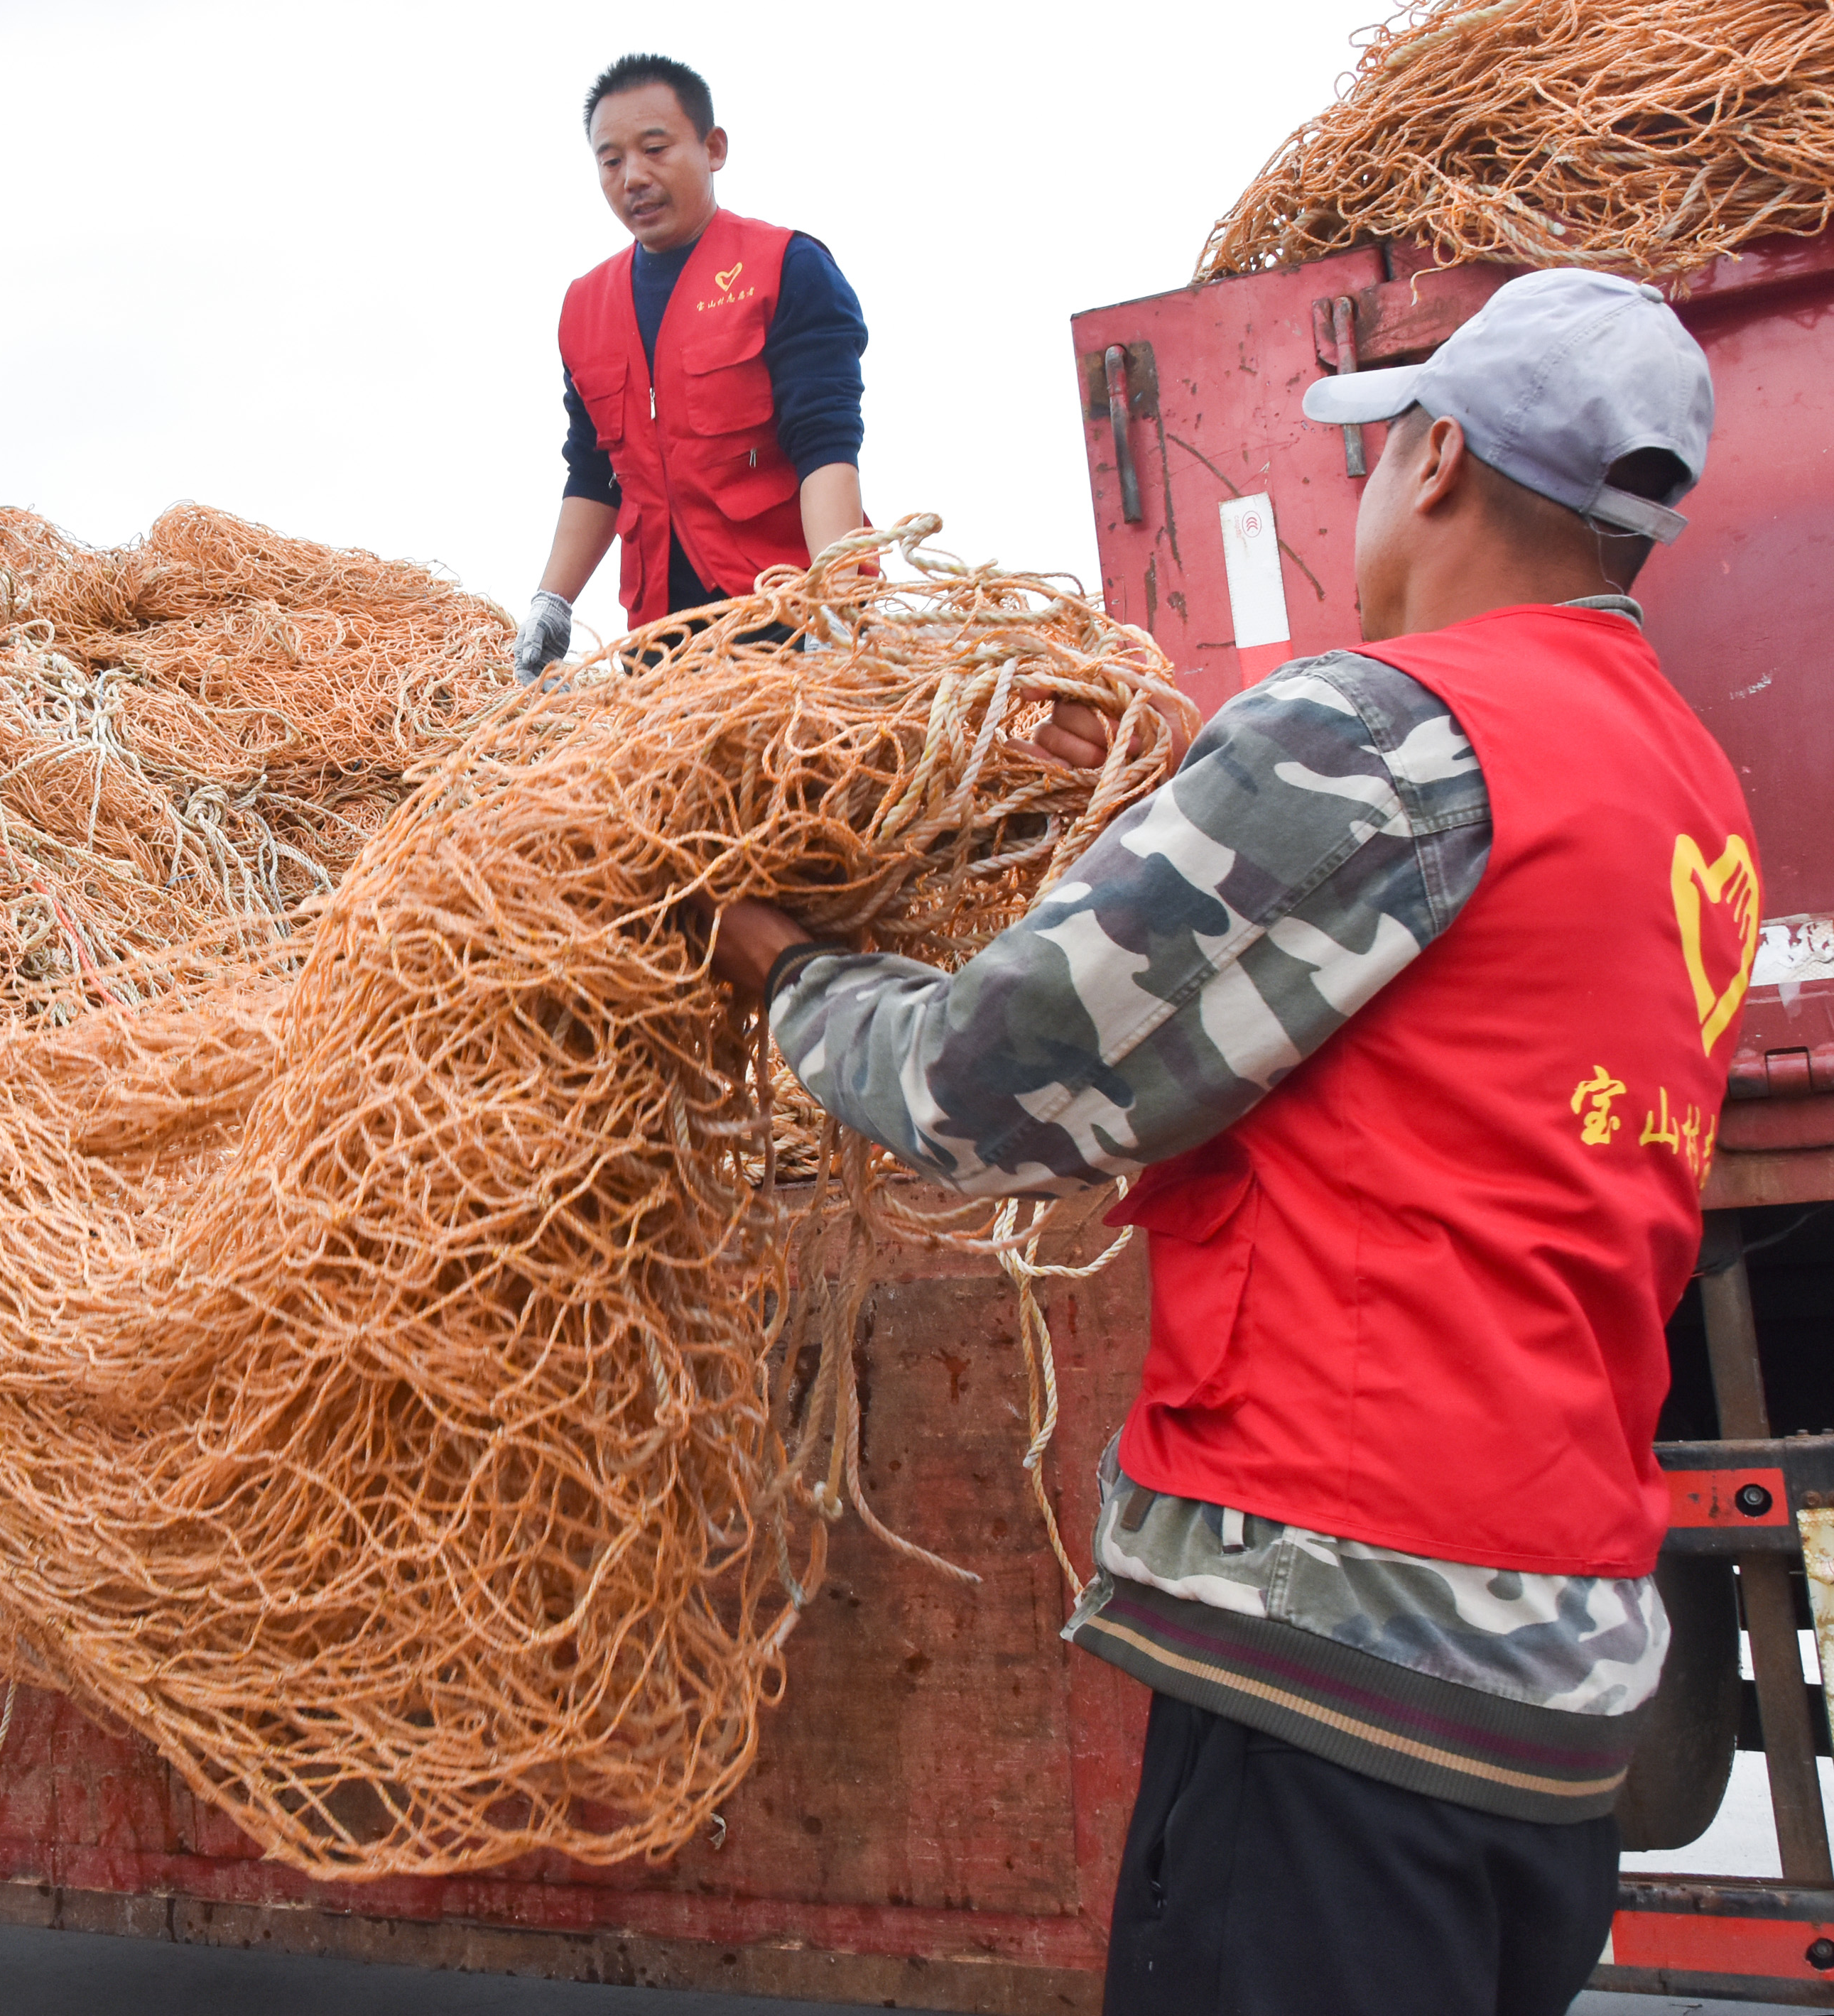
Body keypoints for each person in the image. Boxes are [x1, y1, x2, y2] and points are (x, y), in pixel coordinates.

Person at [707, 271, 1742, 2014]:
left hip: (1337, 1677)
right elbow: (1434, 1039)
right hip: (1548, 1684)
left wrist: (785, 964)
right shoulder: (1680, 784)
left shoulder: (1387, 732)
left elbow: (983, 1086)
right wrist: (1168, 801)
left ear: (1434, 463)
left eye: (1377, 456)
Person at [511, 53, 870, 682]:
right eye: (611, 160)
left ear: (713, 147)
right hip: (661, 641)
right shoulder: (584, 308)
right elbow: (595, 472)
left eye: (655, 148)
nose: (633, 177)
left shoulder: (785, 267)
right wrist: (552, 601)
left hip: (786, 617)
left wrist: (832, 605)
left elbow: (825, 446)